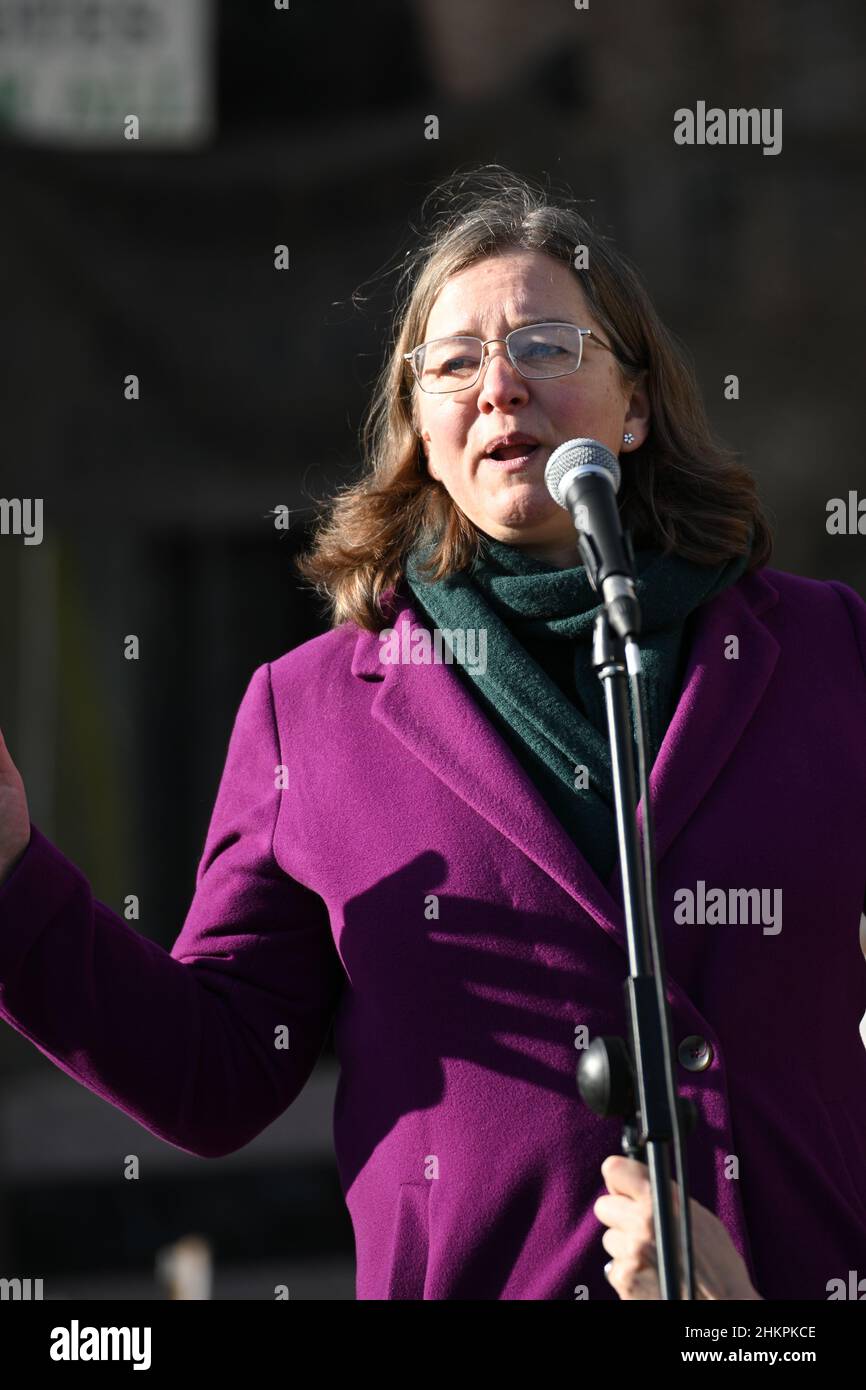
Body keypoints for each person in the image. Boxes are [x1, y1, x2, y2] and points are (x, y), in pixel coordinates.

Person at [1, 165, 865, 1301]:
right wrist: (13, 876)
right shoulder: (310, 708)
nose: (498, 386)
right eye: (453, 363)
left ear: (638, 404)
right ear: (418, 422)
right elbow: (215, 1073)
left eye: (547, 346)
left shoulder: (822, 650)